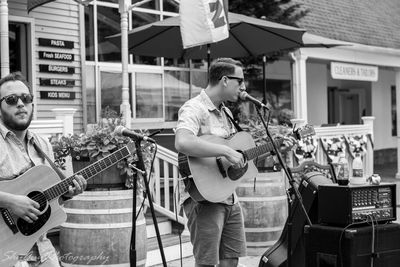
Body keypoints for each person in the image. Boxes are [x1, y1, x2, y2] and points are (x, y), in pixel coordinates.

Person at [0, 72, 87, 267]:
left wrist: (66, 194)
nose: (20, 104)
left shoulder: (43, 144)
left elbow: (46, 199)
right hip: (6, 252)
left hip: (42, 247)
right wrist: (11, 201)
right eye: (11, 99)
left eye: (26, 98)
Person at [175, 58, 249, 267]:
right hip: (203, 198)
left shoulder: (226, 112)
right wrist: (225, 150)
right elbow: (183, 141)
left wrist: (238, 160)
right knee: (206, 262)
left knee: (230, 260)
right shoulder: (194, 108)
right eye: (240, 81)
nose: (243, 87)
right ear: (225, 80)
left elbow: (232, 156)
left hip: (229, 196)